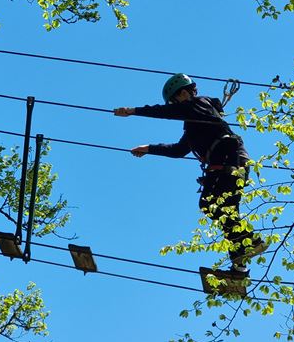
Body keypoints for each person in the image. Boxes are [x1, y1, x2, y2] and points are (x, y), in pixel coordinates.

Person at [114, 73, 267, 274]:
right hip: (230, 163)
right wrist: (148, 148)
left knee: (211, 205)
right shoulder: (195, 124)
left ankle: (252, 241)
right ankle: (239, 266)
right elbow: (178, 150)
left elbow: (166, 112)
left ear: (184, 93)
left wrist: (133, 111)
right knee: (226, 212)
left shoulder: (197, 104)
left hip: (229, 162)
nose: (175, 106)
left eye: (175, 101)